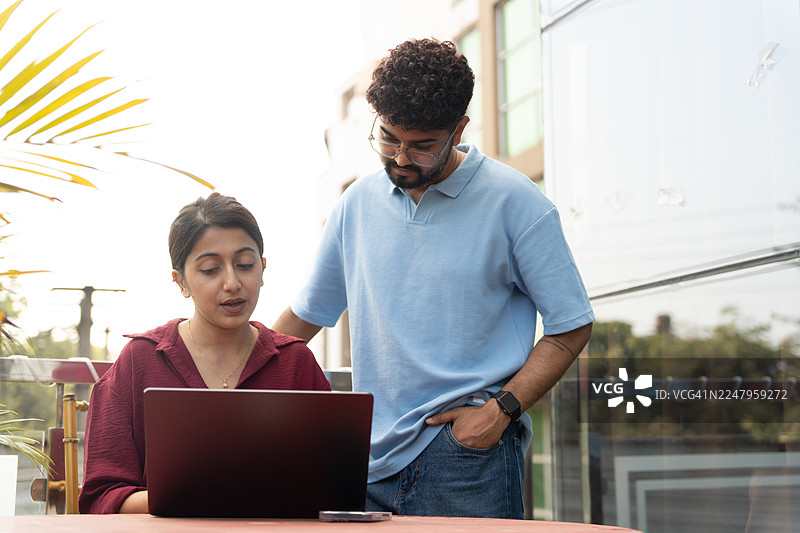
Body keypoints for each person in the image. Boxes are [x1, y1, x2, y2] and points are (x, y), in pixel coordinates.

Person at [272, 38, 594, 519]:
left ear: (459, 129)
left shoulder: (517, 202)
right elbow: (302, 320)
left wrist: (500, 411)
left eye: (422, 146)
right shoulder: (355, 205)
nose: (401, 159)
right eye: (388, 139)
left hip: (468, 457)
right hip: (365, 461)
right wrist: (226, 389)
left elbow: (571, 326)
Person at [79, 192, 330, 514]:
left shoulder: (296, 362)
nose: (232, 283)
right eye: (211, 270)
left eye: (245, 265)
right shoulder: (139, 361)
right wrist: (206, 494)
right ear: (181, 282)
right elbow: (101, 499)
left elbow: (332, 490)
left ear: (263, 269)